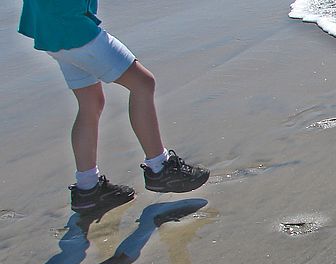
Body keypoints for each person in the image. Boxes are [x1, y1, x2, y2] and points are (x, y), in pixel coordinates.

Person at [18, 0, 210, 214]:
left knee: (90, 103)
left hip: (48, 29)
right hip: (74, 27)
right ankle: (160, 168)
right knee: (142, 84)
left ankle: (88, 187)